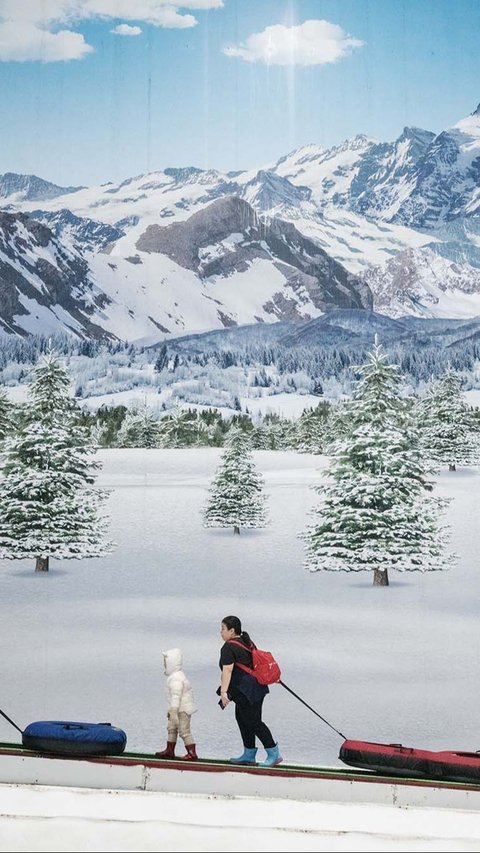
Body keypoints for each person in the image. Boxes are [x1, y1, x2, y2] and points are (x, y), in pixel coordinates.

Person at [219, 615, 282, 767]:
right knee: (242, 718)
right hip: (252, 688)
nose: (220, 632)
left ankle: (274, 753)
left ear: (232, 630)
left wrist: (223, 692)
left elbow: (227, 670)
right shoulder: (247, 641)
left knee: (254, 722)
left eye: (223, 629)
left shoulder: (228, 647)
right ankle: (249, 753)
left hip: (248, 690)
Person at [155, 648, 198, 760]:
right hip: (176, 708)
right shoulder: (174, 677)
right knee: (172, 728)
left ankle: (192, 752)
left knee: (184, 730)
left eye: (166, 662)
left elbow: (176, 695)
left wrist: (173, 710)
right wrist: (172, 710)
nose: (164, 665)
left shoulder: (176, 678)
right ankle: (169, 750)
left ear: (172, 663)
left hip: (182, 709)